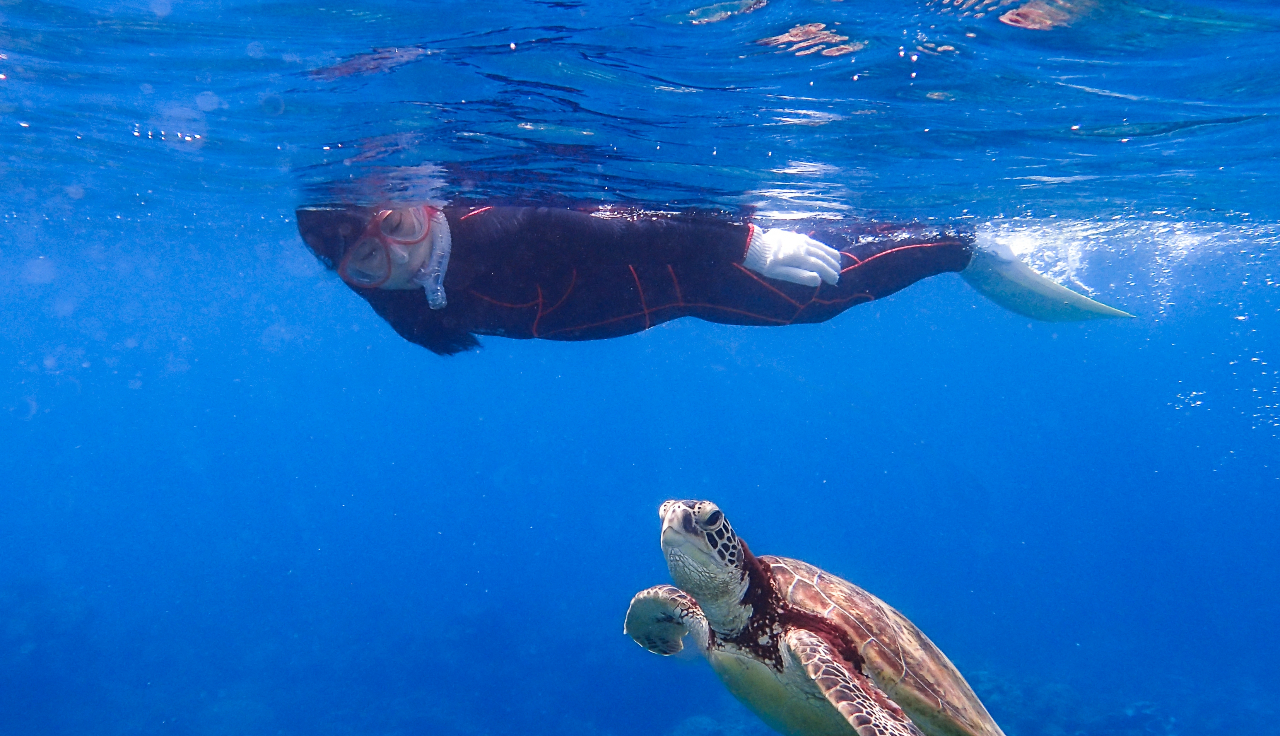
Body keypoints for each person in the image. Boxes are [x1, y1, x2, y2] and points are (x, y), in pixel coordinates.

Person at [295, 201, 1128, 357]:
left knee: (823, 292)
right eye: (371, 263)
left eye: (397, 228)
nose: (397, 258)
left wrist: (745, 240)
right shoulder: (413, 299)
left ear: (417, 201)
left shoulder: (492, 224)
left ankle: (966, 247)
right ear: (351, 280)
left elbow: (601, 224)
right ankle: (938, 238)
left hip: (701, 269)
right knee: (825, 282)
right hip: (683, 296)